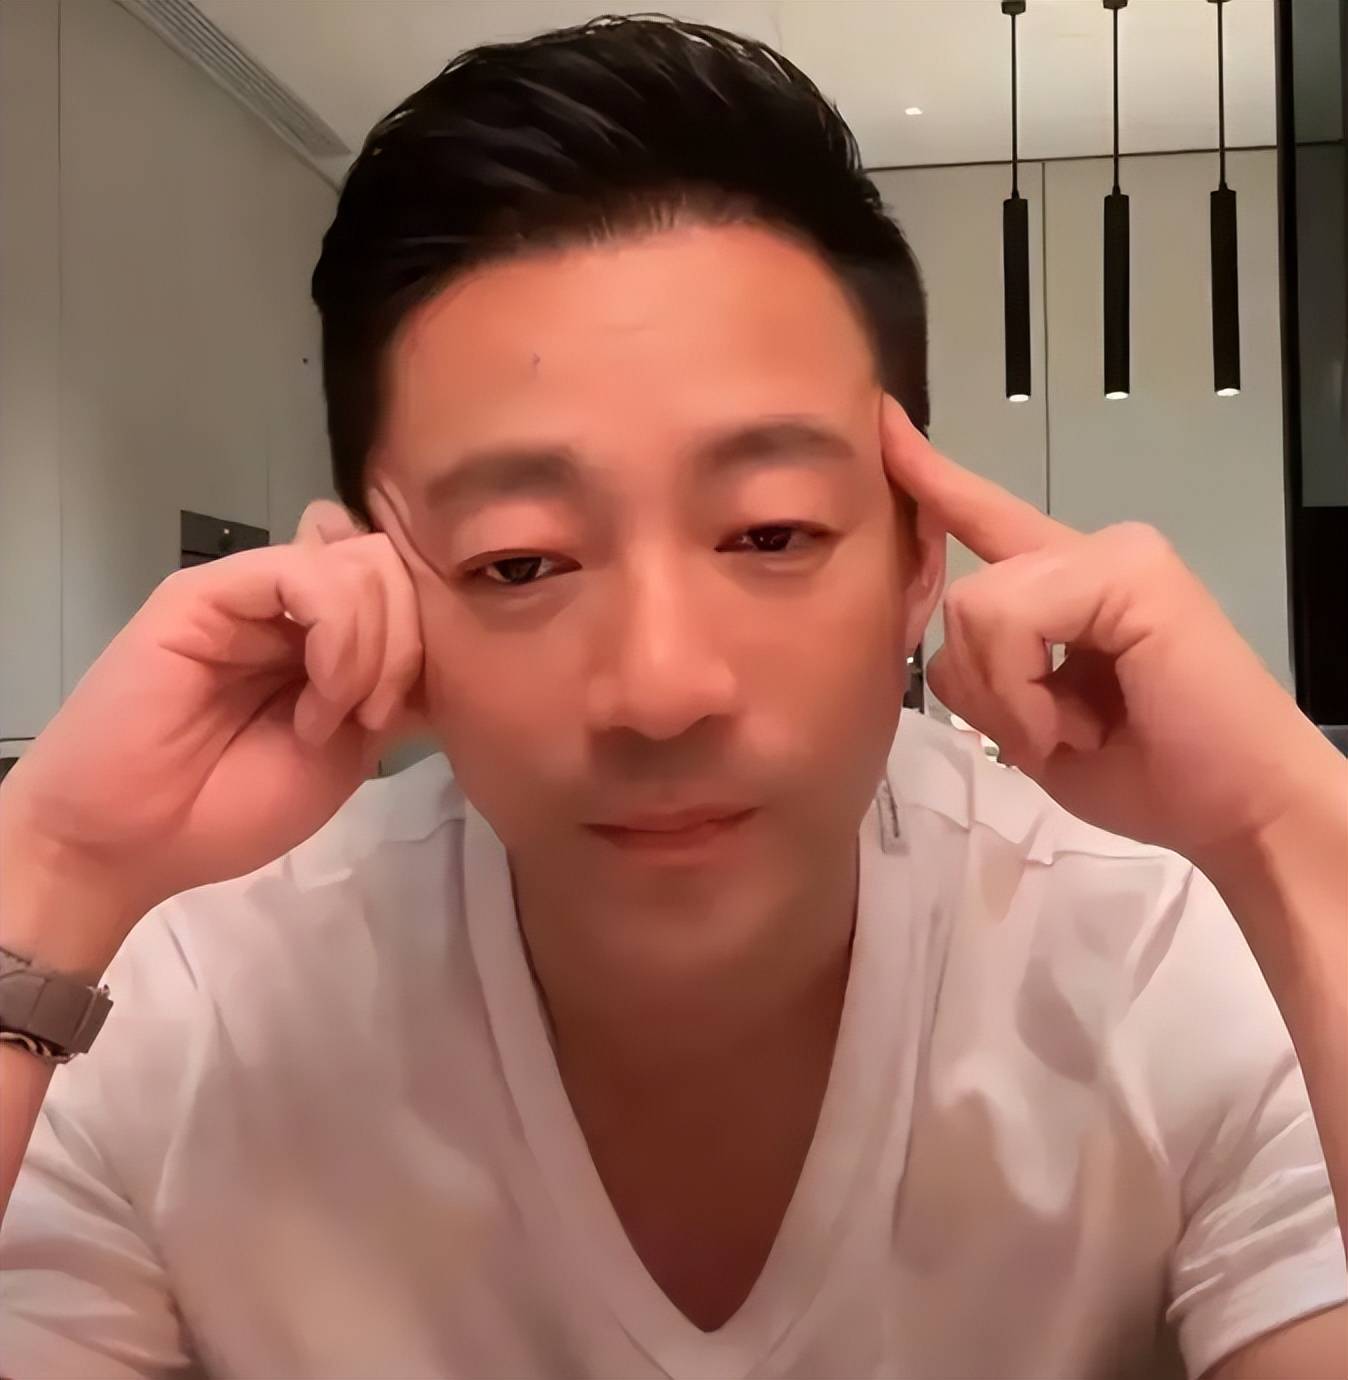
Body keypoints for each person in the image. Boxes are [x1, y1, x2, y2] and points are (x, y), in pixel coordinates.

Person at [0, 16, 1344, 1379]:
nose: (659, 689)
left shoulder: (1156, 967)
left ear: (916, 563)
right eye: (520, 562)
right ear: (377, 597)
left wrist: (1301, 842)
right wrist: (49, 866)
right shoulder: (190, 1011)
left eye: (769, 534)